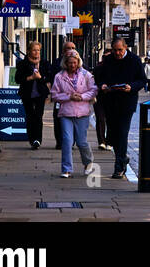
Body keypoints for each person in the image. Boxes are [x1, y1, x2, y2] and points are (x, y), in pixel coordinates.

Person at [95, 38, 146, 180]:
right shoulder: (108, 60)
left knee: (122, 134)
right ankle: (123, 158)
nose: (117, 53)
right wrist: (103, 85)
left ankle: (118, 168)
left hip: (126, 103)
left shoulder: (134, 60)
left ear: (125, 48)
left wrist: (132, 87)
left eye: (120, 50)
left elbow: (142, 80)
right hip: (110, 102)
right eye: (115, 50)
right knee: (112, 136)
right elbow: (99, 78)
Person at [49, 50, 99, 178]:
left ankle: (88, 162)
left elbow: (93, 90)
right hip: (66, 112)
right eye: (70, 63)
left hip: (82, 112)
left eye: (74, 62)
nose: (72, 65)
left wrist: (82, 97)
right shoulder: (59, 76)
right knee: (67, 140)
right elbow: (54, 94)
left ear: (78, 62)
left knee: (82, 142)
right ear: (65, 63)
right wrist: (68, 96)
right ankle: (66, 169)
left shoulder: (86, 75)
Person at [16, 40, 55, 150]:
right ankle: (31, 138)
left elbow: (49, 77)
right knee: (30, 116)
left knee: (38, 116)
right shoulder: (22, 64)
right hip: (27, 93)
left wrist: (41, 78)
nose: (36, 52)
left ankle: (37, 139)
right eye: (34, 50)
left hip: (40, 94)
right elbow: (18, 79)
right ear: (28, 51)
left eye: (38, 50)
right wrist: (30, 78)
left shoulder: (44, 63)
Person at [93, 47, 112, 149]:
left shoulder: (116, 68)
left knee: (110, 120)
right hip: (99, 96)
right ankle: (101, 141)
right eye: (106, 57)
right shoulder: (98, 68)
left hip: (112, 97)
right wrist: (101, 86)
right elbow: (94, 82)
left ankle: (109, 142)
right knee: (100, 119)